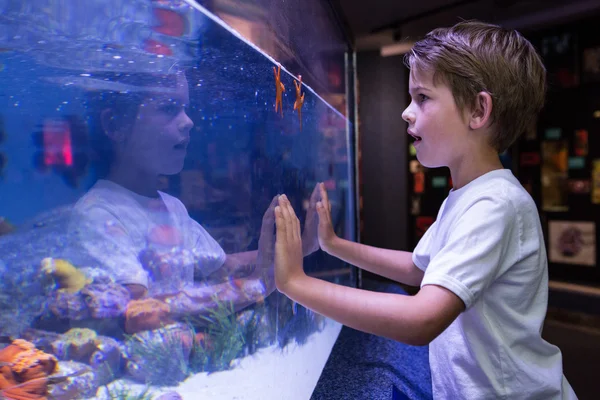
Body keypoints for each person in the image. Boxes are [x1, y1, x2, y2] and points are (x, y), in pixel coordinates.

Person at [272, 21, 577, 399]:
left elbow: (421, 320)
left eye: (423, 97)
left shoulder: (495, 205)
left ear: (478, 110)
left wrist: (296, 283)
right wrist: (334, 244)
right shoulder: (468, 196)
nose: (406, 112)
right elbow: (422, 269)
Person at [69, 68, 318, 316]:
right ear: (115, 125)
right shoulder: (97, 214)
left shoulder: (172, 207)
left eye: (185, 108)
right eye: (169, 108)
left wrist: (301, 247)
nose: (188, 121)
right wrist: (257, 285)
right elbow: (138, 311)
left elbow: (225, 267)